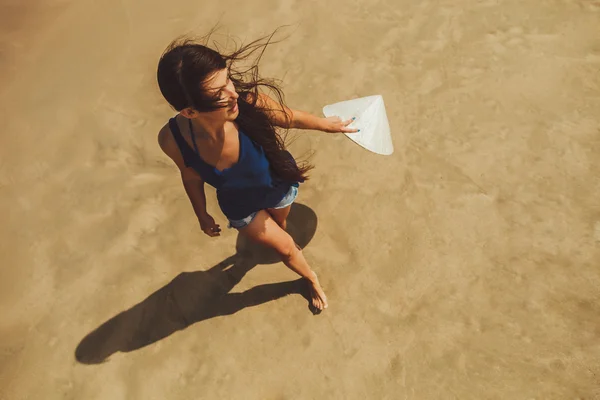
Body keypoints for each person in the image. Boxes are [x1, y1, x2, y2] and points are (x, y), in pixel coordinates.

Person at [156, 34, 357, 311]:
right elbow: (190, 175)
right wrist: (201, 213)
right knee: (285, 248)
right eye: (219, 94)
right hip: (240, 206)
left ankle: (281, 234)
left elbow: (289, 117)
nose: (233, 93)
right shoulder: (172, 139)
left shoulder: (248, 103)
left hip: (276, 184)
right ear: (190, 111)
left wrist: (325, 125)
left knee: (281, 225)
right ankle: (310, 277)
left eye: (227, 79)